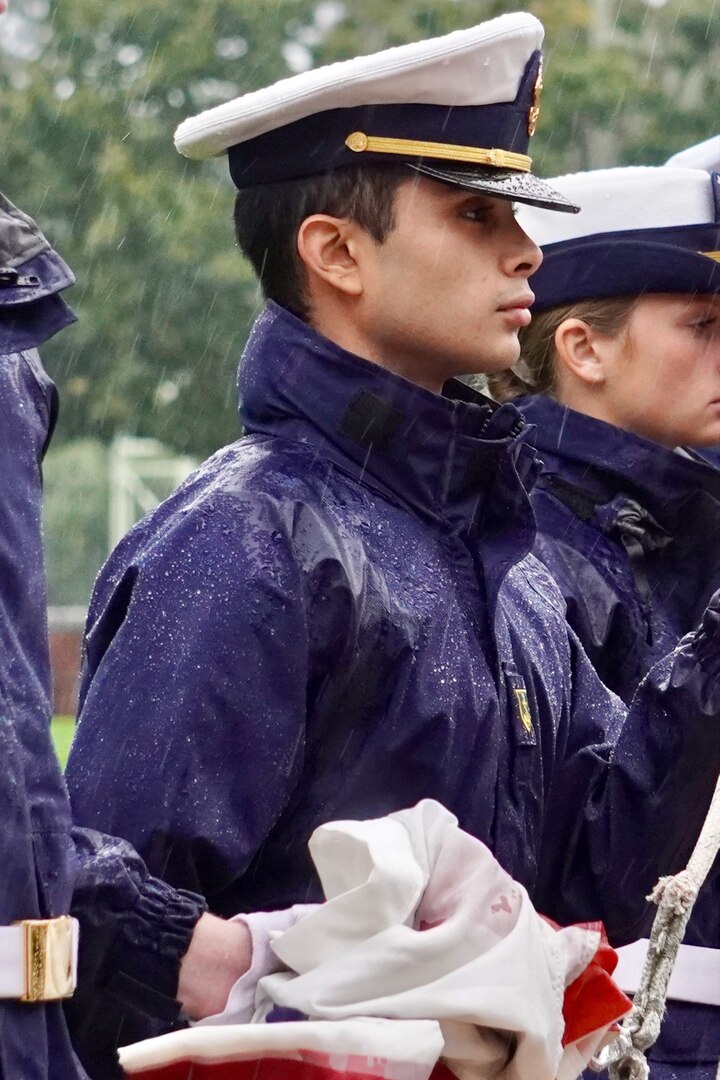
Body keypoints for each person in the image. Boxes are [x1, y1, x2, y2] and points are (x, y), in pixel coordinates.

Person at [65, 12, 720, 1072]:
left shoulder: (504, 567)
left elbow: (608, 871)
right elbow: (104, 938)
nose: (527, 251)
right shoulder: (250, 537)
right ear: (334, 253)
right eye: (475, 215)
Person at [489, 164, 720, 1077]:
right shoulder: (534, 547)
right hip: (618, 1040)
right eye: (703, 327)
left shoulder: (685, 519)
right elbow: (598, 867)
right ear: (583, 349)